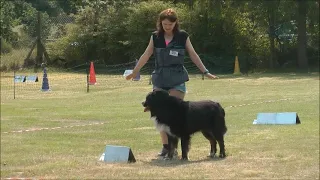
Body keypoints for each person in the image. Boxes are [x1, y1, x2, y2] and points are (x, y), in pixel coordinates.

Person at [126, 8, 218, 157]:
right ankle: (167, 147)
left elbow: (193, 54)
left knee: (175, 116)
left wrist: (205, 71)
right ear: (160, 24)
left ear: (175, 23)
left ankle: (176, 147)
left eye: (169, 24)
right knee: (159, 114)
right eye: (164, 24)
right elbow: (146, 54)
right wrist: (135, 71)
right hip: (160, 78)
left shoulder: (183, 37)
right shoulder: (155, 37)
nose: (167, 27)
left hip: (177, 78)